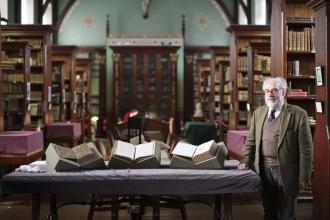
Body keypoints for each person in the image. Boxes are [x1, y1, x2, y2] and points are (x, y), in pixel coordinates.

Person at [238, 77, 313, 220]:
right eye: (266, 91)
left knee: (286, 213)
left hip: (287, 170)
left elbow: (306, 149)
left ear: (284, 92)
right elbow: (251, 141)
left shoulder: (298, 114)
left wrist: (304, 175)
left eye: (274, 90)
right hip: (264, 170)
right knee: (269, 211)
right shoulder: (258, 113)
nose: (270, 94)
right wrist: (246, 159)